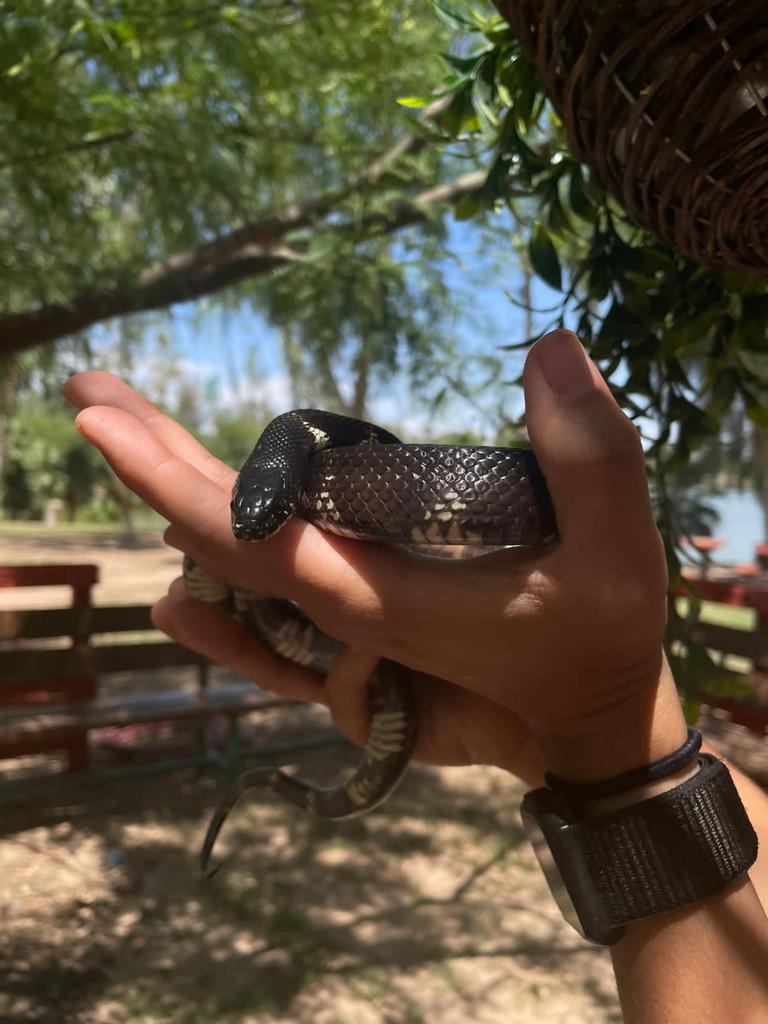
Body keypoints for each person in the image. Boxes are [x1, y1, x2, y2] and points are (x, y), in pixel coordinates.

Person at [65, 330, 768, 1022]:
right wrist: (554, 738)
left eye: (273, 509)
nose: (259, 524)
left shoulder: (320, 452)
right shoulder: (295, 456)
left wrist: (605, 725)